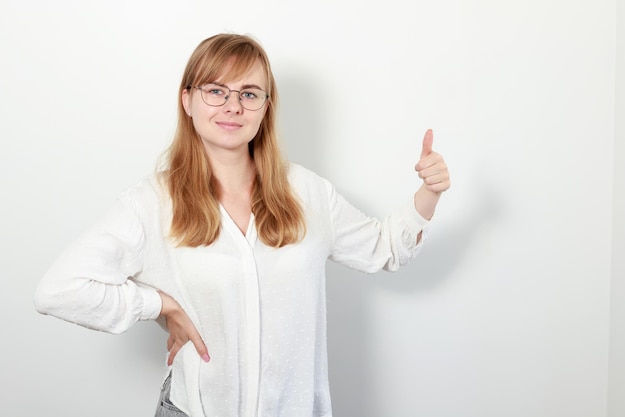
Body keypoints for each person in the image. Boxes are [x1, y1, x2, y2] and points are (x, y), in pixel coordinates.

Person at [34, 33, 450, 417]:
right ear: (187, 99)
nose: (233, 106)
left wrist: (428, 193)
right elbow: (58, 291)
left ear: (266, 106)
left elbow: (387, 248)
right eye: (216, 90)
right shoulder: (152, 202)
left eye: (249, 93)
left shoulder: (307, 192)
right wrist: (159, 304)